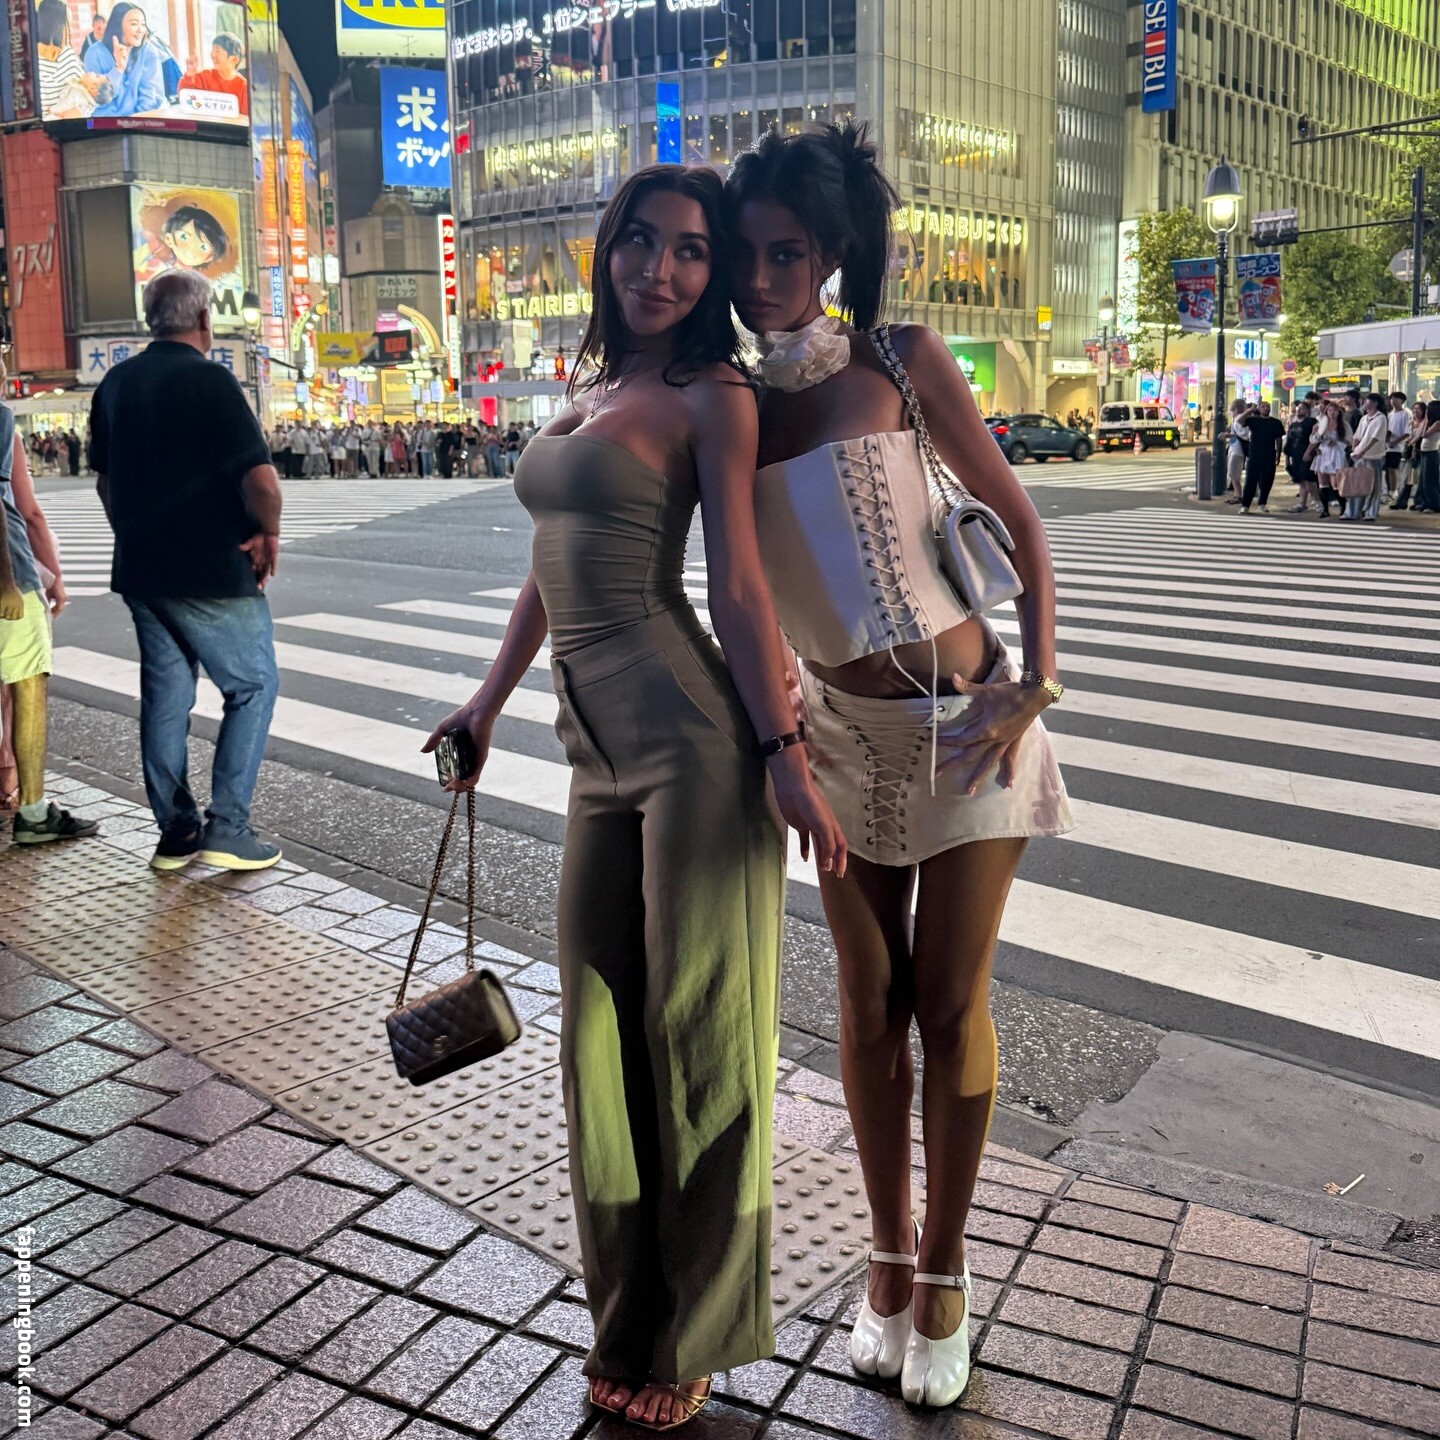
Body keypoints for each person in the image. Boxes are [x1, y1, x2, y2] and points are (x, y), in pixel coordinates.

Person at [423, 164, 845, 1433]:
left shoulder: (715, 394)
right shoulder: (594, 389)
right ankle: (624, 1320)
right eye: (643, 243)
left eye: (693, 251)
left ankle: (692, 1335)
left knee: (700, 1040)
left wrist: (782, 751)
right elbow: (549, 570)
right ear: (608, 250)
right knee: (596, 1042)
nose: (662, 269)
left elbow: (741, 587)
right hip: (591, 754)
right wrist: (485, 702)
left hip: (694, 749)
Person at [726, 122, 1072, 1411]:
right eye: (748, 255)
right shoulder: (730, 401)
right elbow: (737, 583)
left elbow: (1021, 523)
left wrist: (1036, 683)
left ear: (830, 254)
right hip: (839, 737)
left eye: (788, 253)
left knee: (946, 1001)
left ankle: (944, 1274)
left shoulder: (901, 359)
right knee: (866, 1007)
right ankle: (883, 1258)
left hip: (968, 724)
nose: (763, 277)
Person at [92, 270, 283, 872]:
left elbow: (105, 482)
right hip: (212, 568)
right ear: (204, 319)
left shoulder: (115, 383)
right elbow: (262, 481)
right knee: (253, 685)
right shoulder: (211, 380)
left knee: (167, 696)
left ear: (152, 320)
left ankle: (176, 833)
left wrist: (134, 535)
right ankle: (228, 825)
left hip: (142, 571)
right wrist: (268, 532)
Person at [0, 373, 96, 845]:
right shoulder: (2, 422)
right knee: (28, 684)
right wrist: (45, 578)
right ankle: (34, 813)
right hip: (11, 578)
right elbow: (28, 512)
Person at [86, 3, 166, 119]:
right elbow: (97, 100)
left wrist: (134, 123)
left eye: (143, 24)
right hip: (106, 123)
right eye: (134, 24)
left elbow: (151, 98)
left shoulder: (149, 52)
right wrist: (118, 69)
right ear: (117, 26)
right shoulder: (95, 53)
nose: (140, 30)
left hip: (140, 122)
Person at [176, 32, 247, 117]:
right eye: (213, 50)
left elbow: (245, 117)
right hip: (204, 124)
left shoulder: (244, 86)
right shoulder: (203, 76)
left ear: (234, 60)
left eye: (218, 51)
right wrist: (189, 74)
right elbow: (184, 97)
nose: (213, 54)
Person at [1345, 392, 1387, 523]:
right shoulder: (1364, 418)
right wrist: (1355, 449)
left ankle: (1371, 512)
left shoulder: (1381, 418)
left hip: (1374, 456)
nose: (1364, 403)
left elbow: (1375, 438)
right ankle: (1353, 512)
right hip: (1359, 455)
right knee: (1357, 485)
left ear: (1375, 403)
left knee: (1373, 486)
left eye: (1366, 401)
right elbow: (1357, 436)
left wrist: (1362, 451)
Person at [1238, 400, 1285, 514]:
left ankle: (1262, 503)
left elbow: (1278, 439)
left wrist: (1278, 454)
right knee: (1250, 480)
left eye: (1267, 406)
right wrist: (1249, 410)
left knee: (1267, 481)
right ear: (1258, 409)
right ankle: (1245, 505)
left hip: (1269, 454)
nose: (1265, 408)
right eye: (1263, 406)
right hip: (1254, 455)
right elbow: (1239, 421)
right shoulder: (1253, 420)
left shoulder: (1276, 422)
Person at [1305, 399, 1350, 518]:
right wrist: (1313, 444)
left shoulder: (1344, 425)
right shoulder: (1322, 424)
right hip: (1323, 453)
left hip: (1336, 454)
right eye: (1329, 410)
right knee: (1322, 483)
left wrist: (1337, 442)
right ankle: (1325, 510)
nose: (1332, 413)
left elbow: (1349, 440)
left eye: (1335, 410)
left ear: (1339, 412)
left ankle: (1343, 508)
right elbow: (1314, 439)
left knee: (1336, 484)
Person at [1393, 400, 1428, 512]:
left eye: (1419, 409)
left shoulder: (1425, 423)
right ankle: (1401, 502)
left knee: (1420, 480)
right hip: (1410, 454)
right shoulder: (1410, 422)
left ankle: (1419, 502)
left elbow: (1420, 436)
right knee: (1407, 479)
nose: (1416, 411)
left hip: (1421, 452)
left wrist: (1410, 441)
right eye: (1414, 408)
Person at [1282, 400, 1316, 512]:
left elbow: (1315, 439)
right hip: (1295, 455)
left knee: (1308, 480)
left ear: (1307, 411)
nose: (1299, 410)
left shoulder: (1311, 422)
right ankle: (1302, 503)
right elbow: (1289, 440)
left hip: (1307, 455)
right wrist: (1287, 457)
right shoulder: (1293, 425)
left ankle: (1317, 501)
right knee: (1300, 480)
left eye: (1302, 408)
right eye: (1298, 408)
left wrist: (1309, 452)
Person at [1384, 391, 1410, 505]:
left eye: (1396, 398)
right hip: (1387, 446)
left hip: (1398, 447)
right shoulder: (1389, 414)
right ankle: (1389, 490)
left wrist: (1396, 441)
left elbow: (1407, 432)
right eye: (1391, 398)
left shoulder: (1405, 414)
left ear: (1402, 400)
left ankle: (1393, 491)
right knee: (1387, 470)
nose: (1393, 401)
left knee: (1392, 468)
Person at [1223, 398, 1249, 503]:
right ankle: (1236, 495)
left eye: (1232, 410)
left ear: (1237, 410)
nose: (1231, 412)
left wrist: (1228, 435)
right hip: (1235, 449)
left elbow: (1243, 435)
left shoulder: (1239, 419)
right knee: (1234, 474)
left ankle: (1238, 496)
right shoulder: (1238, 419)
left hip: (1237, 450)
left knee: (1233, 474)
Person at [1418, 398, 1440, 514]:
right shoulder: (1432, 422)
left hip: (1432, 452)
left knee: (1430, 480)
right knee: (1423, 480)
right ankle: (1425, 502)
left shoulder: (1437, 423)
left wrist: (1426, 420)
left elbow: (1424, 434)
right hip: (1425, 451)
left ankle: (1434, 504)